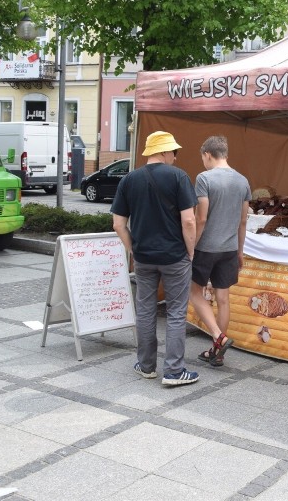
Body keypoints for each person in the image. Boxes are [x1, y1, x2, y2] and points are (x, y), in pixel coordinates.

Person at [111, 131, 199, 386]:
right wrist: (190, 250)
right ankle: (173, 371)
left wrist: (133, 251)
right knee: (175, 312)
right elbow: (189, 220)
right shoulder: (179, 177)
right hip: (174, 256)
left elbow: (118, 224)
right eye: (174, 151)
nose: (175, 156)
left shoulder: (129, 180)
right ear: (164, 151)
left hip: (144, 257)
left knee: (146, 310)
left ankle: (147, 365)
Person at [190, 135, 251, 367]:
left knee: (195, 293)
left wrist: (192, 245)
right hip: (229, 248)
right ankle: (218, 353)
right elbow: (243, 221)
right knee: (223, 299)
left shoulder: (204, 178)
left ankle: (218, 336)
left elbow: (201, 217)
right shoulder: (243, 181)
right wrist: (240, 251)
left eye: (202, 157)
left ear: (207, 154)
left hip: (206, 247)